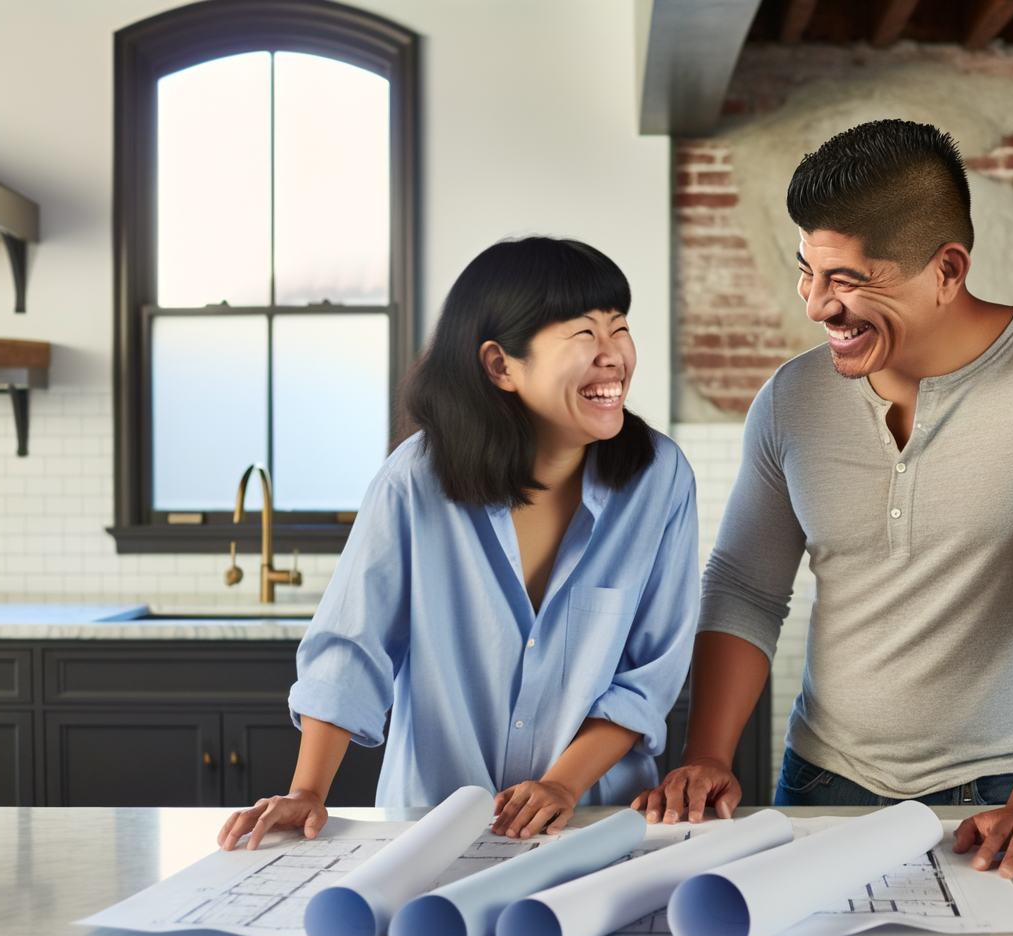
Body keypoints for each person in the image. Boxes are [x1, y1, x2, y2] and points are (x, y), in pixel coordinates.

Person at [633, 120, 1013, 882]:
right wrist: (708, 754)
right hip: (819, 780)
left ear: (947, 270)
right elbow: (746, 590)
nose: (817, 306)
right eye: (807, 272)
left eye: (848, 280)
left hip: (1001, 794)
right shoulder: (791, 399)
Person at [220, 237, 698, 851]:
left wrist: (560, 786)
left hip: (595, 825)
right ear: (501, 365)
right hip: (432, 826)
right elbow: (351, 650)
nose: (614, 356)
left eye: (620, 328)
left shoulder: (660, 479)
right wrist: (307, 790)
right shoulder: (415, 479)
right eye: (583, 334)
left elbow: (646, 675)